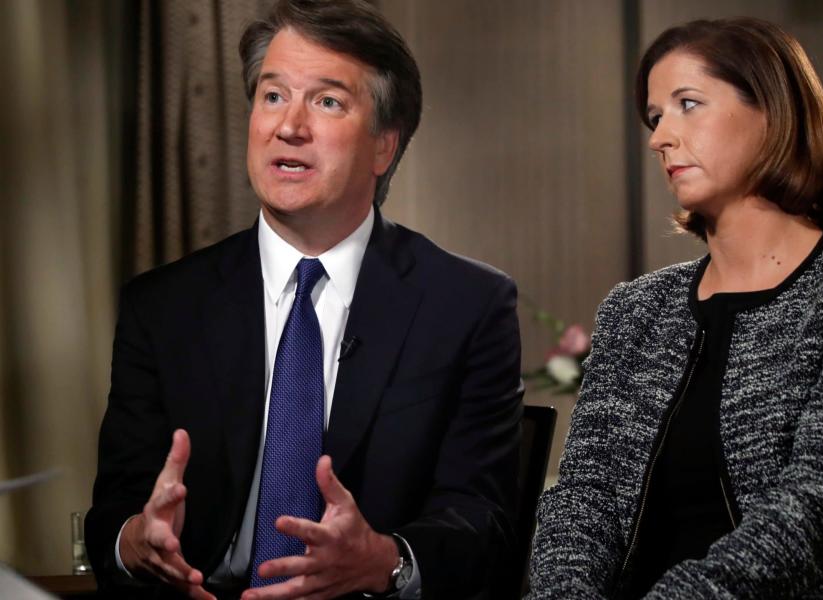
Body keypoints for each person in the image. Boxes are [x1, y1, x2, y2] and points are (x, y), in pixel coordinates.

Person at [85, 1, 523, 599]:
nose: (287, 126)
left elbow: (482, 519)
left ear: (383, 148)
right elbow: (114, 509)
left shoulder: (468, 304)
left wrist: (384, 561)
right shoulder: (162, 307)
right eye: (271, 96)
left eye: (326, 101)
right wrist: (136, 539)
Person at [527, 17, 823, 598]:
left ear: (772, 112)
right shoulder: (636, 309)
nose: (659, 137)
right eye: (655, 117)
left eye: (687, 104)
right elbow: (588, 497)